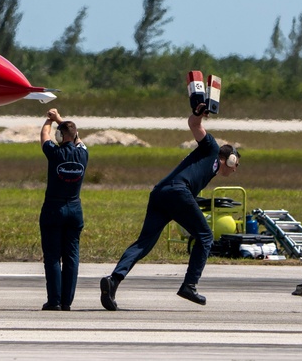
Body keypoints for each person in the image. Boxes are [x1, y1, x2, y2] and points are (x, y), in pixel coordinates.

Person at [100, 105, 240, 310]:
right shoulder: (211, 148)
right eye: (236, 165)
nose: (235, 170)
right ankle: (189, 285)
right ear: (230, 159)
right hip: (176, 192)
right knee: (206, 236)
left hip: (161, 193)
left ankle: (113, 280)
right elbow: (194, 124)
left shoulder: (209, 170)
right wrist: (199, 114)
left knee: (144, 244)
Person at [39, 108, 88, 311]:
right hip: (75, 208)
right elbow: (77, 137)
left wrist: (49, 120)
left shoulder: (55, 153)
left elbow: (44, 135)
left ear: (60, 136)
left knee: (52, 256)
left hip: (54, 207)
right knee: (71, 256)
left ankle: (54, 301)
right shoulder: (83, 153)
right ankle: (67, 301)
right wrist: (60, 120)